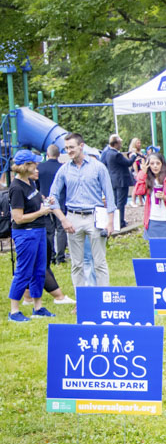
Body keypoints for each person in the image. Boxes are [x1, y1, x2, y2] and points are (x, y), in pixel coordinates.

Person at [50, 133, 115, 289]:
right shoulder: (64, 169)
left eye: (71, 147)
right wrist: (63, 219)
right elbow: (52, 197)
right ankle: (82, 300)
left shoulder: (98, 167)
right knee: (77, 264)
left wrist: (110, 221)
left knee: (99, 262)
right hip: (73, 217)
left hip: (95, 217)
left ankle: (102, 296)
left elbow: (109, 194)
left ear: (81, 146)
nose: (69, 151)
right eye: (66, 148)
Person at [8, 151, 61, 322]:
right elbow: (18, 218)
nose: (37, 166)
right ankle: (14, 311)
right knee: (23, 271)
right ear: (25, 166)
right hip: (25, 234)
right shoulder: (16, 187)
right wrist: (41, 212)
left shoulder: (30, 183)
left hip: (38, 231)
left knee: (39, 271)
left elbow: (33, 204)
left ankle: (37, 307)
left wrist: (46, 202)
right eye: (34, 164)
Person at [134, 152, 166, 239]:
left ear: (162, 164)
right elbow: (139, 191)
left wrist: (165, 198)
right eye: (152, 163)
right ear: (148, 165)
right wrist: (143, 173)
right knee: (155, 251)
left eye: (158, 163)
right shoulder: (147, 178)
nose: (155, 166)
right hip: (153, 220)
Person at [37, 144, 67, 264]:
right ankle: (61, 257)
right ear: (59, 155)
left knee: (49, 230)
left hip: (46, 201)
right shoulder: (63, 168)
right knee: (61, 229)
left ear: (47, 154)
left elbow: (37, 187)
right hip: (60, 200)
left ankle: (50, 256)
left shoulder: (40, 168)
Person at [100, 134, 134, 228]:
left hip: (113, 180)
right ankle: (120, 222)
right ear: (115, 144)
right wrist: (133, 156)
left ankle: (115, 221)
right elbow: (128, 163)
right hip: (121, 181)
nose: (121, 145)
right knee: (121, 202)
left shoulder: (107, 153)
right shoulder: (117, 154)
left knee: (115, 201)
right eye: (120, 143)